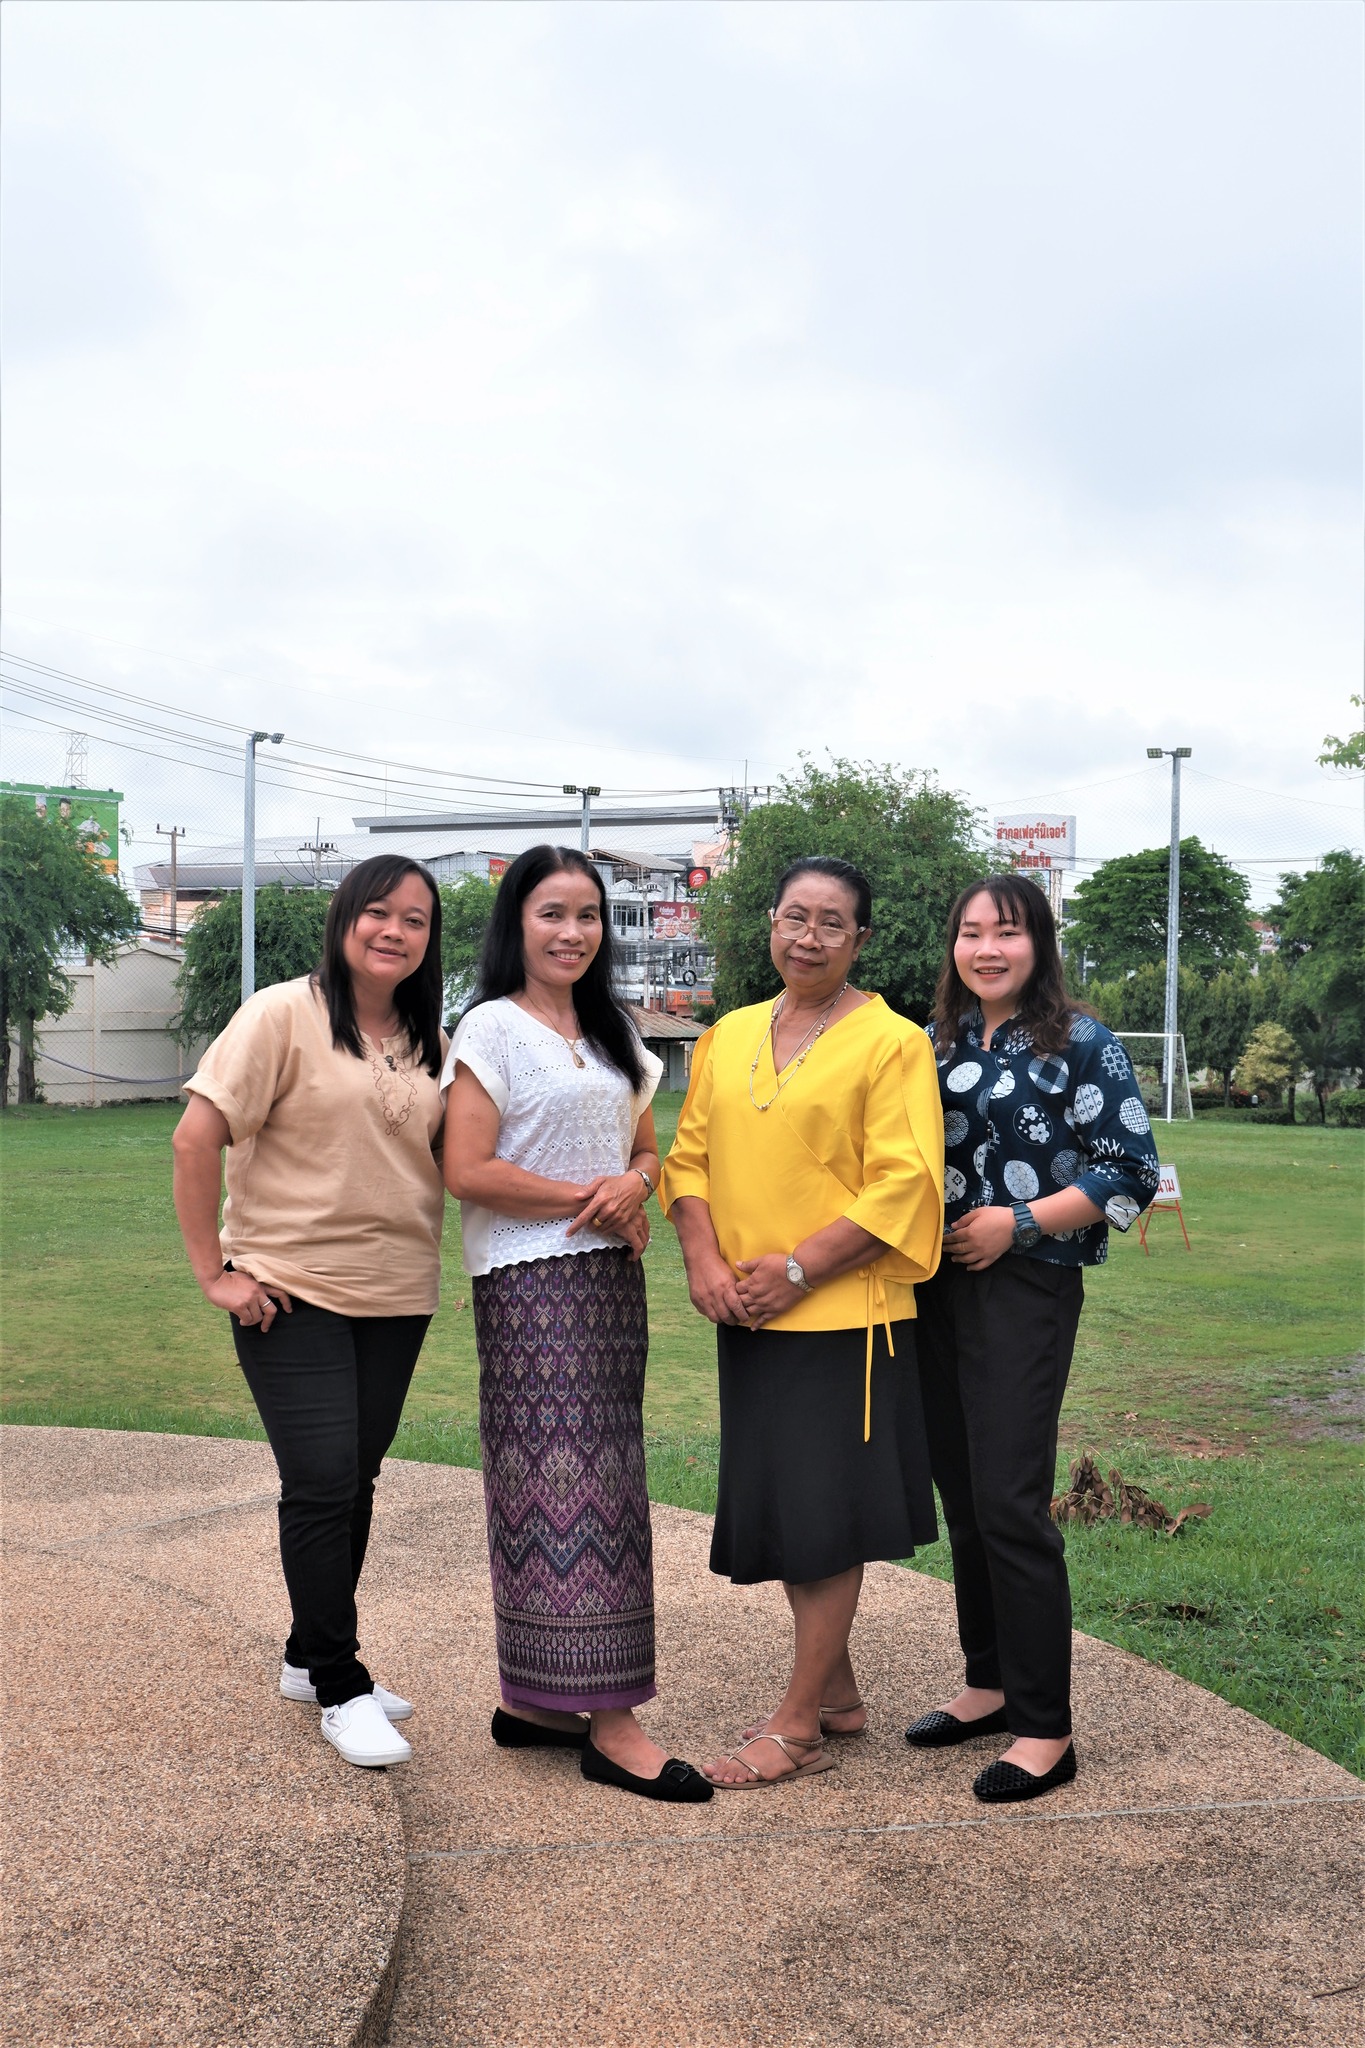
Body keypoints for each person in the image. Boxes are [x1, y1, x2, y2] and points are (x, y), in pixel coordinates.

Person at [660, 855, 945, 1789]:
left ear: (860, 939)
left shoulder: (892, 1043)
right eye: (794, 917)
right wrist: (704, 1260)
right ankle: (838, 1694)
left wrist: (796, 1269)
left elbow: (903, 1184)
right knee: (791, 1506)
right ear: (771, 925)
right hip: (746, 1311)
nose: (809, 937)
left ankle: (797, 1729)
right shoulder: (729, 1033)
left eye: (831, 922)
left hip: (842, 1318)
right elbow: (688, 1159)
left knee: (822, 1518)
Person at [442, 845, 712, 1804]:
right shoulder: (490, 1027)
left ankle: (537, 1704)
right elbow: (466, 1169)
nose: (572, 932)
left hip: (608, 1286)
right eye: (551, 913)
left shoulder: (612, 1029)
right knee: (565, 1491)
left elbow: (645, 1148)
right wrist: (588, 1200)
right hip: (528, 1284)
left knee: (600, 1481)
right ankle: (611, 1722)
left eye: (588, 915)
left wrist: (633, 1184)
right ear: (516, 923)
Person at [172, 854, 447, 1769]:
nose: (394, 931)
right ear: (344, 918)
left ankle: (306, 1655)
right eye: (378, 912)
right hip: (290, 1290)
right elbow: (196, 1138)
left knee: (352, 1480)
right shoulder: (281, 1014)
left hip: (397, 1293)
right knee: (323, 1480)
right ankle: (339, 1681)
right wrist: (216, 1273)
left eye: (415, 919)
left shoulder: (428, 1037)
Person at [906, 874, 1160, 1802]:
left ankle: (1045, 1728)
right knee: (965, 1496)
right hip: (932, 1284)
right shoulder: (933, 1042)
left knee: (1010, 1500)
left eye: (1006, 932)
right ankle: (988, 1684)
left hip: (1026, 1284)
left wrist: (1015, 1223)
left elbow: (1128, 1170)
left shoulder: (1078, 1041)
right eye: (970, 932)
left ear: (1039, 943)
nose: (987, 949)